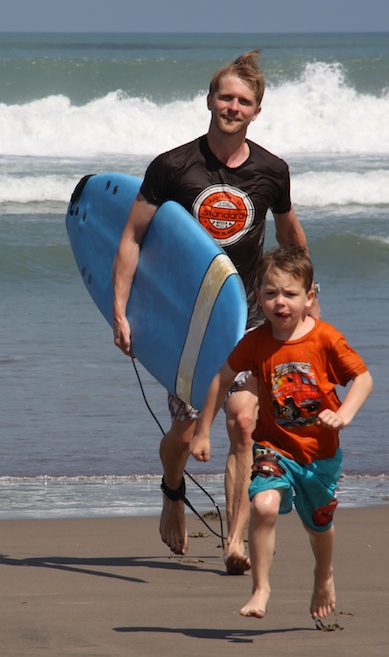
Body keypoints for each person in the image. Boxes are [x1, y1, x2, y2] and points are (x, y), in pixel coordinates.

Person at [111, 50, 316, 575]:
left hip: (248, 316)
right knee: (185, 435)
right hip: (188, 323)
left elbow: (291, 237)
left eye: (243, 101)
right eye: (225, 96)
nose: (233, 106)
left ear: (256, 111)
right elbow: (132, 236)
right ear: (209, 100)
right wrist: (121, 310)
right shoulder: (173, 166)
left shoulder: (272, 171)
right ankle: (172, 490)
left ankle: (235, 540)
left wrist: (305, 297)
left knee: (244, 423)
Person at [191, 245, 372, 621]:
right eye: (271, 293)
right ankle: (260, 588)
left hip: (319, 455)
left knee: (318, 526)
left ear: (309, 297)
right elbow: (221, 378)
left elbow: (363, 378)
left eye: (290, 294)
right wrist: (203, 431)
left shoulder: (325, 339)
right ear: (258, 297)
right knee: (264, 505)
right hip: (272, 448)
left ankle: (324, 575)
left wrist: (345, 415)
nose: (280, 302)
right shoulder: (256, 342)